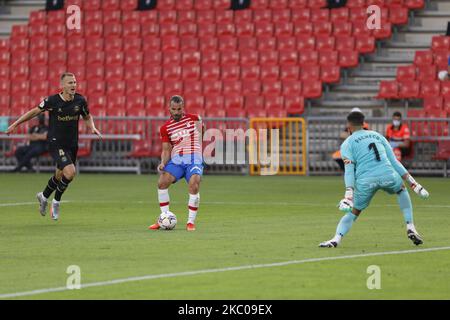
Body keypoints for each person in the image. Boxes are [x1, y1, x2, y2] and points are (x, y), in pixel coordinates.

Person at [319, 110, 429, 248]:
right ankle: (410, 226)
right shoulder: (378, 136)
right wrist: (414, 184)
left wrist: (348, 195)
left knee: (354, 212)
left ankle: (336, 239)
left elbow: (349, 171)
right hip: (388, 175)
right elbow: (395, 162)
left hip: (366, 181)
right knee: (401, 190)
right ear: (363, 124)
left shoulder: (347, 143)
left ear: (349, 126)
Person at [5, 73, 102, 220]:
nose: (73, 85)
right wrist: (15, 124)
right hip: (56, 143)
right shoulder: (53, 101)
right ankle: (56, 202)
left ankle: (43, 196)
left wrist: (92, 127)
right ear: (62, 86)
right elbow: (34, 112)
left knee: (59, 175)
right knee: (70, 172)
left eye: (74, 82)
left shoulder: (80, 100)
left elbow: (87, 116)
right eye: (70, 83)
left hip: (71, 144)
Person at [149, 95, 204, 231]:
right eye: (174, 109)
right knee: (162, 182)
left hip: (193, 158)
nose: (177, 112)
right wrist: (163, 163)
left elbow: (201, 134)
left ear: (183, 107)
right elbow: (166, 149)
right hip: (177, 160)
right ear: (169, 109)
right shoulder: (165, 128)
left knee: (194, 183)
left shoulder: (194, 119)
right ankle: (164, 218)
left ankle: (190, 222)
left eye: (179, 109)